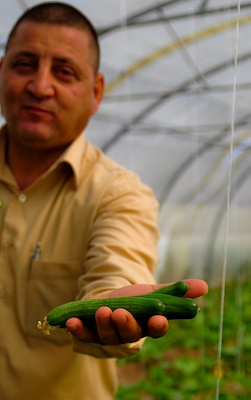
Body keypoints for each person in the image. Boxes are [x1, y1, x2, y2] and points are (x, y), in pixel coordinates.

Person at [0, 2, 208, 399]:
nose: (40, 86)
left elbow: (119, 266)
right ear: (1, 71)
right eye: (25, 64)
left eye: (64, 72)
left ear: (95, 93)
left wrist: (112, 299)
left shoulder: (119, 194)